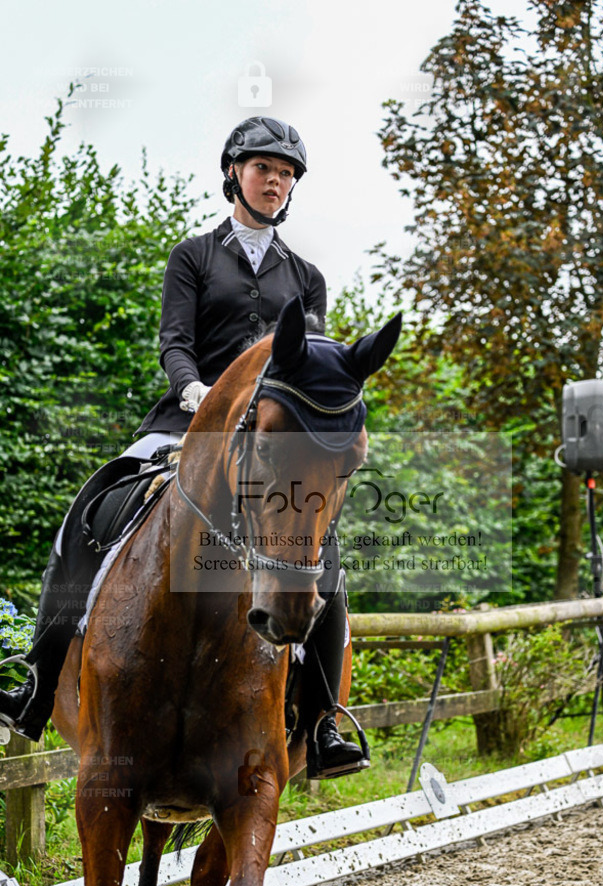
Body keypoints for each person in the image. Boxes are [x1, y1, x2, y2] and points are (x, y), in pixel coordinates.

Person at [0, 117, 368, 780]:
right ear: (235, 173)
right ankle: (38, 678)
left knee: (325, 553)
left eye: (285, 174)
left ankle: (322, 722)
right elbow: (174, 339)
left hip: (270, 442)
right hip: (187, 421)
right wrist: (192, 387)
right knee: (96, 505)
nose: (275, 182)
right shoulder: (194, 256)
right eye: (263, 169)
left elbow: (309, 363)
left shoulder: (306, 277)